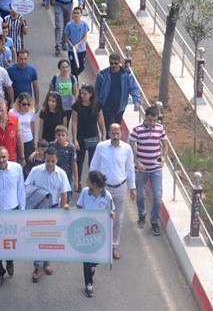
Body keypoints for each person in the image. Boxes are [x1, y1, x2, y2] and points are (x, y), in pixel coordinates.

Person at [89, 123, 136, 260]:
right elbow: (94, 165)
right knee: (101, 216)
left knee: (117, 219)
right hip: (104, 188)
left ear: (121, 133)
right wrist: (92, 185)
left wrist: (132, 188)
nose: (115, 136)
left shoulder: (127, 149)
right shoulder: (101, 147)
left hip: (121, 188)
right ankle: (100, 244)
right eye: (113, 133)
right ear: (109, 133)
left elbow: (130, 169)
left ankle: (114, 245)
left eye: (117, 133)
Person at [24, 145, 70, 282]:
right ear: (44, 158)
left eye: (53, 161)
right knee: (38, 238)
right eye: (48, 160)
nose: (50, 164)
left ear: (57, 159)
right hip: (38, 209)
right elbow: (26, 187)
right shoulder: (35, 171)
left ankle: (47, 262)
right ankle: (37, 266)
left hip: (54, 209)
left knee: (50, 238)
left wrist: (64, 210)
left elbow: (64, 194)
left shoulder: (61, 173)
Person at [0, 146, 25, 288]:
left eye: (3, 157)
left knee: (10, 243)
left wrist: (22, 210)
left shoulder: (17, 168)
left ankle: (10, 260)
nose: (1, 160)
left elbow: (21, 190)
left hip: (13, 211)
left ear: (8, 156)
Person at [75, 170, 115, 298]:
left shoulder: (107, 196)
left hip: (100, 232)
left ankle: (93, 265)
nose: (86, 182)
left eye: (88, 180)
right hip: (86, 231)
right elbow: (79, 207)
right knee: (87, 258)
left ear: (94, 184)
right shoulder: (85, 192)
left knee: (95, 259)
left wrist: (112, 214)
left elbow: (111, 209)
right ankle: (88, 284)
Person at [129, 105, 167, 236]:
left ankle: (154, 221)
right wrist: (136, 161)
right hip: (141, 169)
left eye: (154, 120)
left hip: (156, 169)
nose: (152, 123)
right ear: (146, 117)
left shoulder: (160, 129)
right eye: (150, 120)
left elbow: (165, 144)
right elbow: (131, 146)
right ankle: (141, 215)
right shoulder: (137, 130)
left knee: (157, 197)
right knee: (140, 195)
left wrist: (163, 156)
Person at [93, 52, 143, 129]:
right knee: (111, 129)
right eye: (111, 63)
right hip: (106, 107)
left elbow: (134, 88)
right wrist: (97, 105)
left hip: (120, 107)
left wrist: (136, 101)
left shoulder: (127, 75)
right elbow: (96, 91)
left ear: (119, 63)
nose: (113, 65)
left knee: (116, 128)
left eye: (115, 63)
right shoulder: (102, 75)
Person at [72, 84, 105, 183]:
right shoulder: (76, 106)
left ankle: (92, 182)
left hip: (93, 136)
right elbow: (74, 123)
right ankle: (78, 182)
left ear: (91, 94)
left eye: (85, 94)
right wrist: (74, 139)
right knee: (79, 160)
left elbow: (100, 120)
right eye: (81, 93)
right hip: (81, 136)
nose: (82, 96)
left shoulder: (97, 105)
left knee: (93, 161)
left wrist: (103, 134)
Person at [9, 93, 37, 158]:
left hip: (28, 140)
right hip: (16, 140)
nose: (26, 106)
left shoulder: (32, 112)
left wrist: (33, 140)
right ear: (19, 103)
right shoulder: (12, 112)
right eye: (24, 104)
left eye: (28, 104)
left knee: (29, 161)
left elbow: (32, 127)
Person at [64, 7, 90, 77]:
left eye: (78, 13)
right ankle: (75, 85)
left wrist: (77, 44)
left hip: (81, 50)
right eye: (74, 13)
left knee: (81, 67)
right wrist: (71, 45)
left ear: (81, 14)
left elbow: (84, 37)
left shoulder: (84, 24)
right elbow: (66, 37)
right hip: (71, 50)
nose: (76, 15)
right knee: (74, 68)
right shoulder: (69, 25)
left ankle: (71, 77)